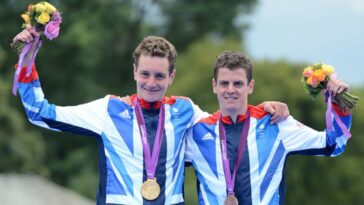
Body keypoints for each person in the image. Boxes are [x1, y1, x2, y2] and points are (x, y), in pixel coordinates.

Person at [12, 27, 289, 205]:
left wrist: (265, 109)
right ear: (134, 72)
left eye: (159, 76)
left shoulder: (185, 111)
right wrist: (27, 59)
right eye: (145, 74)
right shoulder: (109, 110)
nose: (151, 82)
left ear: (171, 76)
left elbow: (228, 128)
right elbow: (40, 113)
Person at [185, 51, 352, 205]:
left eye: (237, 83)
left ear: (250, 86)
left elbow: (333, 145)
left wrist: (338, 104)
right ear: (214, 85)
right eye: (224, 83)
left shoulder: (275, 123)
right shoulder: (197, 133)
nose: (230, 90)